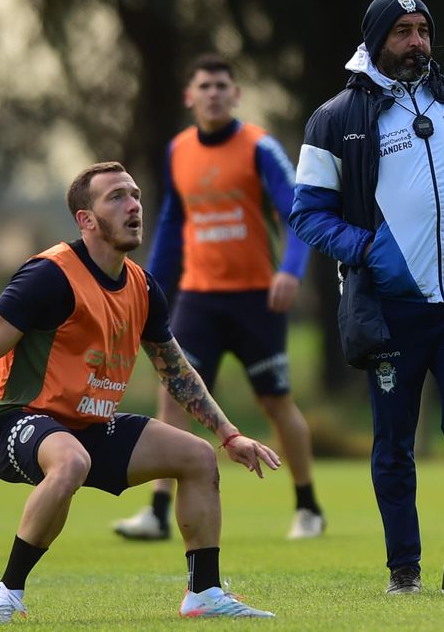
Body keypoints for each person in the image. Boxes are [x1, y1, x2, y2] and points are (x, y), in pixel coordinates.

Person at [0, 161, 281, 623]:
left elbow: (176, 370)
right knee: (71, 461)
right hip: (16, 422)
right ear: (86, 219)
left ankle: (204, 593)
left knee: (198, 457)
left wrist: (229, 434)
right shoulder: (48, 276)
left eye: (136, 195)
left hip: (89, 426)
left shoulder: (143, 286)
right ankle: (8, 593)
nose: (133, 206)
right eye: (117, 197)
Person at [291, 0, 444, 595]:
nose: (417, 41)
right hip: (391, 306)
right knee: (395, 440)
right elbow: (308, 213)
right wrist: (371, 251)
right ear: (376, 40)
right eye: (402, 31)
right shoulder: (335, 118)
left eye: (423, 29)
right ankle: (404, 569)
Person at [112, 54, 323, 542]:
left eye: (222, 85)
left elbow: (298, 215)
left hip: (256, 300)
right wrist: (148, 286)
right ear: (190, 96)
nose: (213, 94)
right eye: (204, 86)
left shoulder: (260, 148)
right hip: (199, 300)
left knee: (275, 402)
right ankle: (159, 511)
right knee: (173, 394)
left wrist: (291, 271)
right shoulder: (179, 150)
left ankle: (308, 506)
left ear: (236, 95)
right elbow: (172, 224)